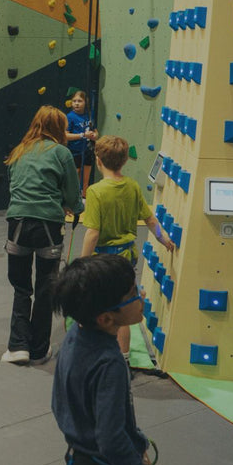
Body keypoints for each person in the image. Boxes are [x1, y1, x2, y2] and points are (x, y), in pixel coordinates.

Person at [51, 255, 155, 465]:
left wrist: (136, 445)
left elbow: (58, 404)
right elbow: (111, 440)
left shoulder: (73, 337)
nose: (142, 296)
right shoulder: (109, 364)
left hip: (82, 461)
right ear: (106, 318)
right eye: (132, 295)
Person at [79, 135, 176, 360]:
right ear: (124, 161)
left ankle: (90, 349)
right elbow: (151, 220)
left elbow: (93, 232)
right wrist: (164, 239)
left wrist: (82, 262)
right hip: (126, 258)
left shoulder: (96, 191)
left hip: (103, 259)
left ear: (99, 161)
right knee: (122, 306)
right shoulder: (132, 186)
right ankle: (123, 355)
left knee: (94, 303)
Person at [1, 106, 83, 365]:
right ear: (59, 128)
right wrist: (77, 208)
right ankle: (38, 349)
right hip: (48, 225)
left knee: (21, 287)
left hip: (17, 224)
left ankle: (17, 347)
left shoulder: (18, 151)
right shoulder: (61, 153)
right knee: (46, 288)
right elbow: (73, 194)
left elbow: (14, 185)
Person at [66, 91, 97, 196]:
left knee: (85, 180)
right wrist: (83, 135)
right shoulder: (70, 117)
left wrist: (95, 135)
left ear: (85, 102)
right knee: (73, 181)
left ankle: (84, 200)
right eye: (74, 101)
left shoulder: (88, 115)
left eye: (80, 101)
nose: (76, 103)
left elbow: (95, 131)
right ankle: (72, 202)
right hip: (75, 152)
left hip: (88, 150)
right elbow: (65, 135)